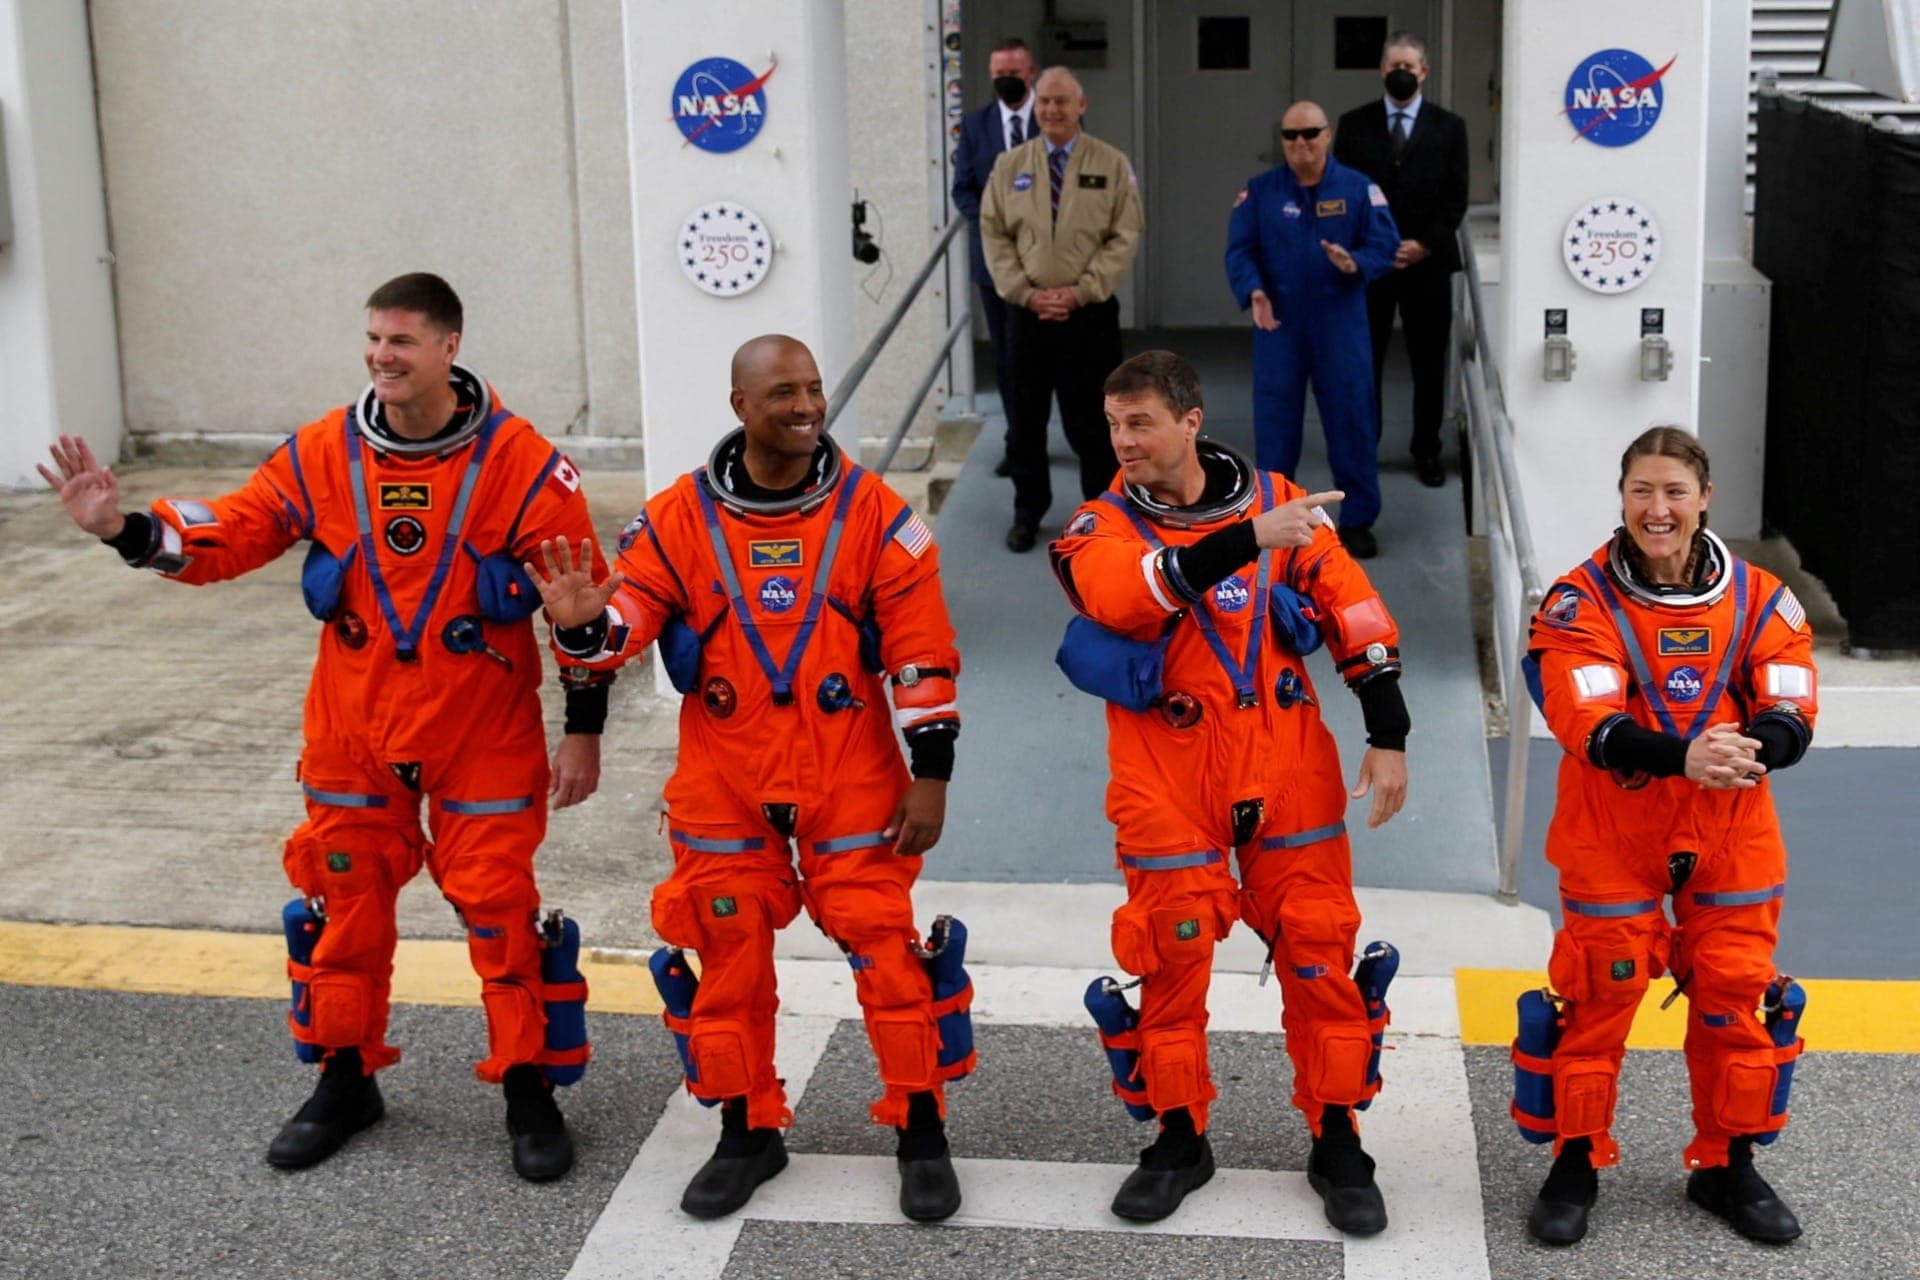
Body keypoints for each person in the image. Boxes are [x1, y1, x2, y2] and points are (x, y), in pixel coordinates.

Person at [37, 273, 606, 1181]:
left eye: (402, 341)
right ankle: (346, 1078)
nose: (382, 355)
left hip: (481, 725)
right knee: (344, 899)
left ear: (449, 348)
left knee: (499, 906)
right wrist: (127, 530)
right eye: (374, 339)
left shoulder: (524, 465)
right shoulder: (323, 453)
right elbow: (235, 533)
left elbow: (580, 601)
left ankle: (528, 1088)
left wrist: (584, 728)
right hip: (355, 724)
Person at [528, 334, 973, 1224]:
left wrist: (933, 776)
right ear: (741, 406)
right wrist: (581, 629)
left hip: (851, 771)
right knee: (726, 957)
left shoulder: (877, 516)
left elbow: (922, 655)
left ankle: (921, 1129)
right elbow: (627, 626)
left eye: (813, 390)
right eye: (783, 393)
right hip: (727, 779)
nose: (805, 406)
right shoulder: (678, 520)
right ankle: (748, 1130)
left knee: (888, 955)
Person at [1050, 349, 1411, 1234]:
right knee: (1170, 955)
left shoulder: (1279, 502)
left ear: (1190, 422)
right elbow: (1130, 599)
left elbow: (1354, 611)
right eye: (1112, 425)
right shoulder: (1101, 527)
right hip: (1166, 773)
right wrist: (1251, 539)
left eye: (1140, 423)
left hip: (1285, 764)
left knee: (1320, 952)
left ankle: (1337, 1137)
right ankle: (1179, 1139)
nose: (1123, 441)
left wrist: (1390, 732)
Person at [1518, 427, 1816, 1246]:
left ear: (1704, 498)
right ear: (1622, 497)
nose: (1658, 509)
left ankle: (1727, 1165)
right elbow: (1589, 722)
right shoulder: (1578, 603)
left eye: (1675, 492)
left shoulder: (1761, 599)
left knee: (1735, 991)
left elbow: (1793, 704)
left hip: (1733, 822)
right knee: (1599, 993)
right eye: (1643, 492)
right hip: (1615, 823)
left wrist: (1747, 751)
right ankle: (1575, 1160)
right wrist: (1686, 756)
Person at [1225, 101, 1400, 559]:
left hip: (1339, 326)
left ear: (1327, 135)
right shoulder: (1260, 192)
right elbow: (1239, 251)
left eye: (1310, 134)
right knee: (1276, 426)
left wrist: (1355, 262)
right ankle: (1275, 519)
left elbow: (1386, 245)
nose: (1300, 143)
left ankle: (1358, 519)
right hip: (1279, 327)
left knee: (1351, 423)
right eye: (1290, 136)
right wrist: (1254, 292)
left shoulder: (1359, 189)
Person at [979, 65, 1142, 553]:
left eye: (1061, 101)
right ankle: (1028, 511)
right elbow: (994, 234)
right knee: (1025, 419)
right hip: (1026, 315)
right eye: (1044, 101)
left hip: (1087, 315)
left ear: (1081, 105)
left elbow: (1125, 234)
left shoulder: (1112, 164)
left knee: (1095, 420)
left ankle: (1103, 513)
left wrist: (1082, 290)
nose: (1052, 110)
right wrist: (1026, 293)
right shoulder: (1010, 165)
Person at [1334, 33, 1469, 490]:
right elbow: (1344, 194)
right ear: (1381, 69)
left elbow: (1456, 199)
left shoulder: (1450, 127)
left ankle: (1426, 449)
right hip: (1371, 268)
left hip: (1426, 265)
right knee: (1363, 362)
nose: (1402, 72)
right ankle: (1362, 450)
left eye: (1410, 65)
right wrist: (1375, 248)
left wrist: (1423, 244)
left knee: (1428, 363)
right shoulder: (1354, 125)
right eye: (1394, 64)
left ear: (1424, 72)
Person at [951, 36, 1039, 476]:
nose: (1007, 80)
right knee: (1009, 361)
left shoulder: (1054, 117)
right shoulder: (975, 125)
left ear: (1032, 73)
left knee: (1053, 359)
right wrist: (992, 223)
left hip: (1051, 267)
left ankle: (1071, 440)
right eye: (999, 74)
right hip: (994, 267)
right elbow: (961, 190)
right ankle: (1018, 443)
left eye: (1015, 72)